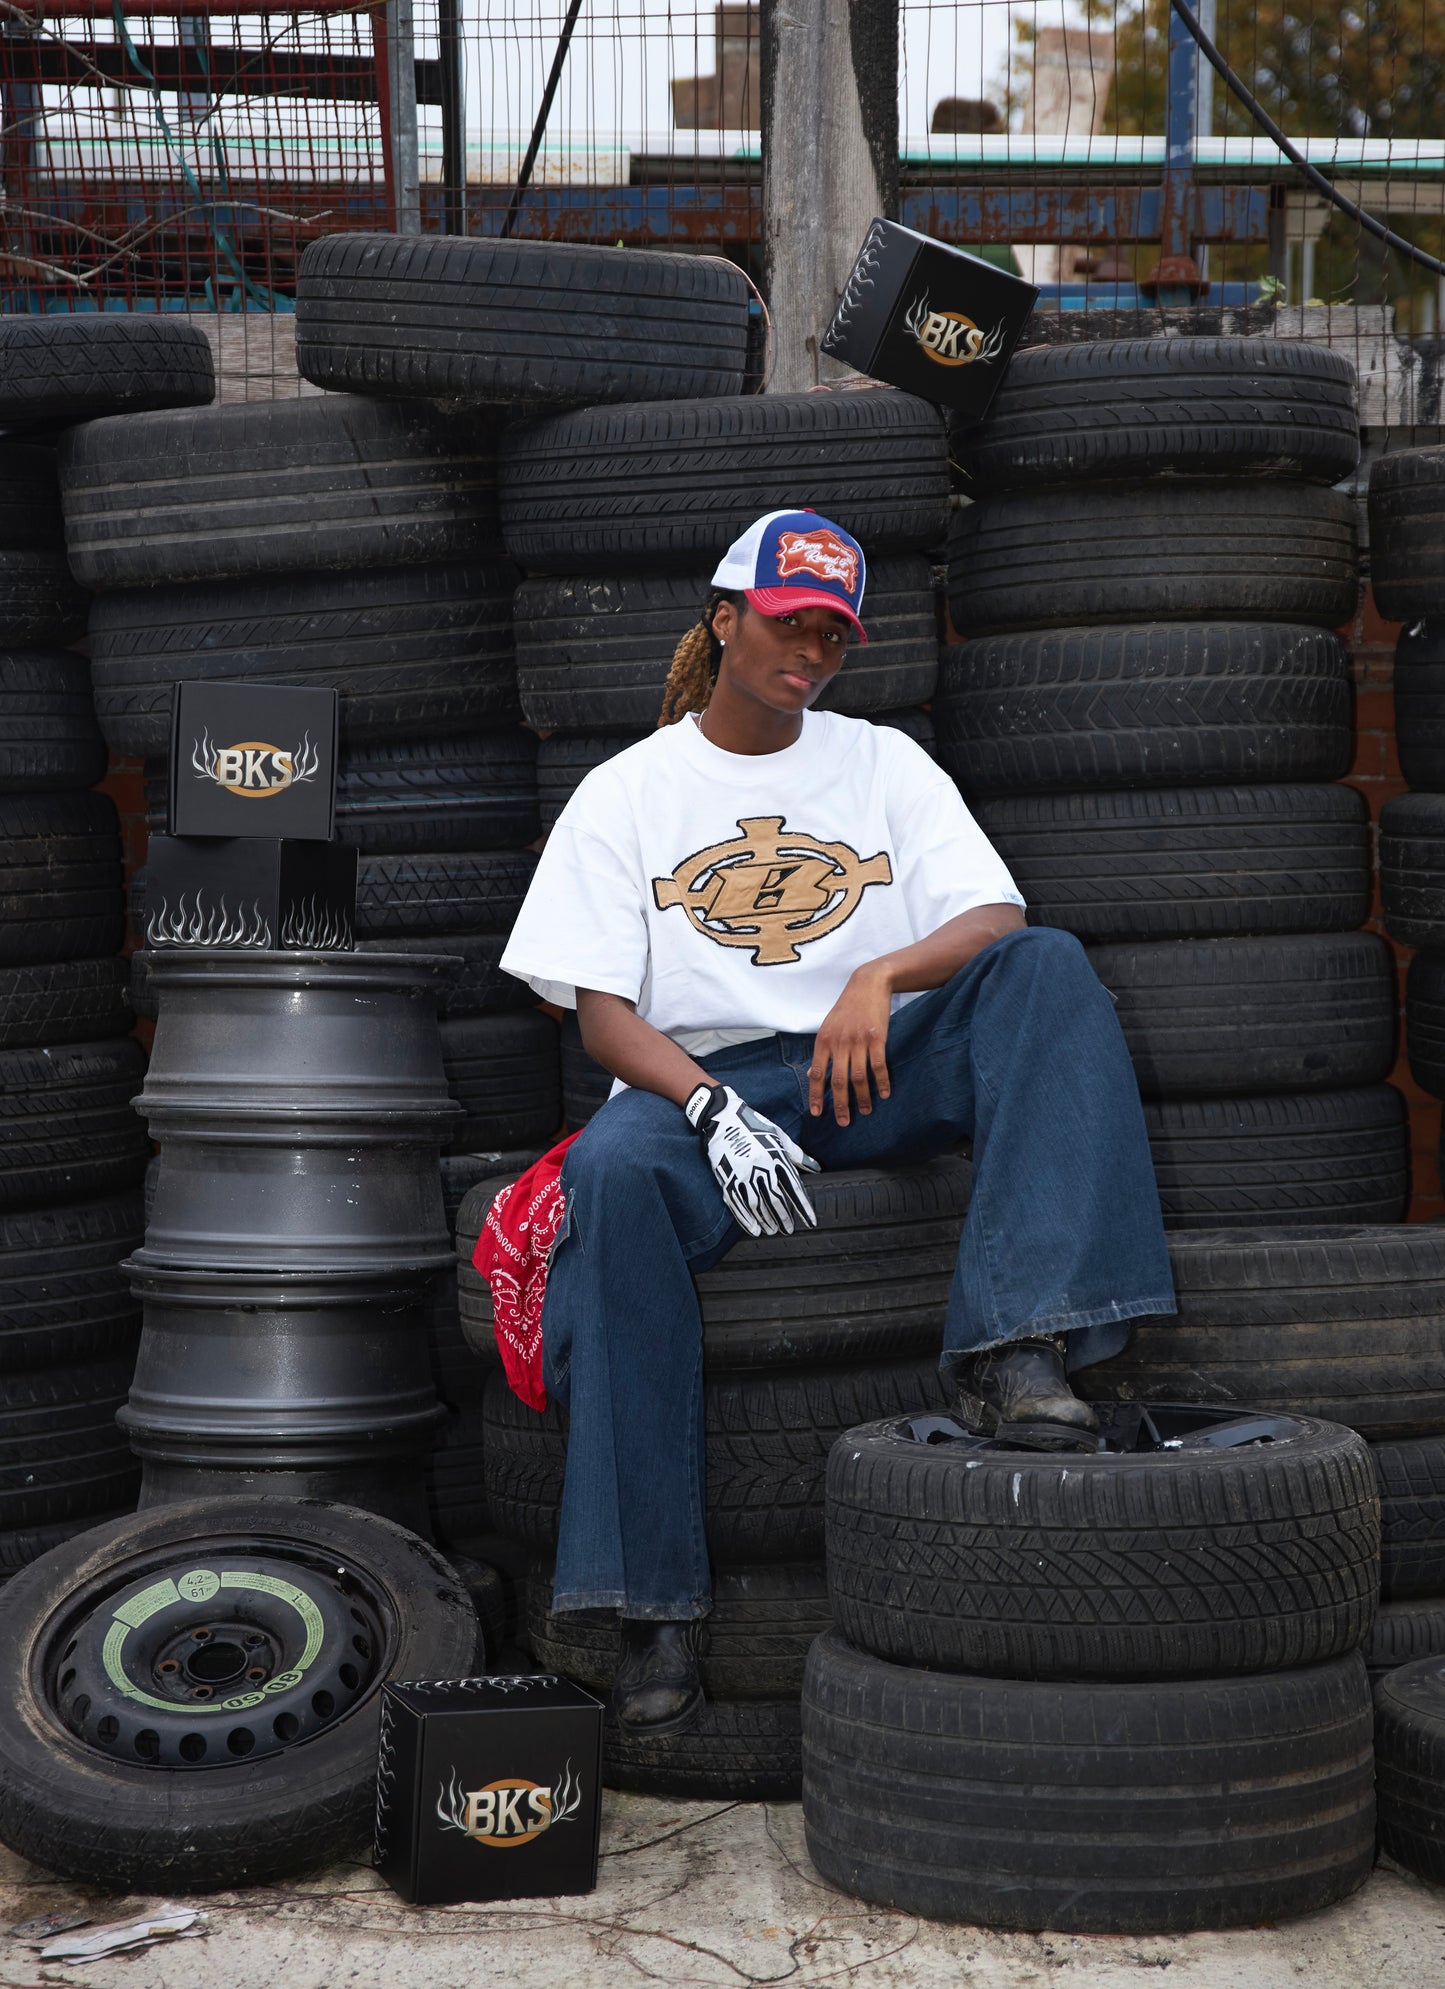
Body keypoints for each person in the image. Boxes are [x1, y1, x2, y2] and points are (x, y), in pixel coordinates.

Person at [500, 509, 1176, 1738]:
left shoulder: (881, 764)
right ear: (724, 621)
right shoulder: (626, 793)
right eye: (786, 623)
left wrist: (880, 974)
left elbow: (992, 918)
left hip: (864, 1065)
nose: (808, 651)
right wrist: (703, 1103)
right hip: (700, 1082)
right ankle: (652, 1605)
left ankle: (1015, 1350)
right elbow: (598, 1017)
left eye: (831, 634)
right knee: (611, 1175)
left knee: (1045, 969)